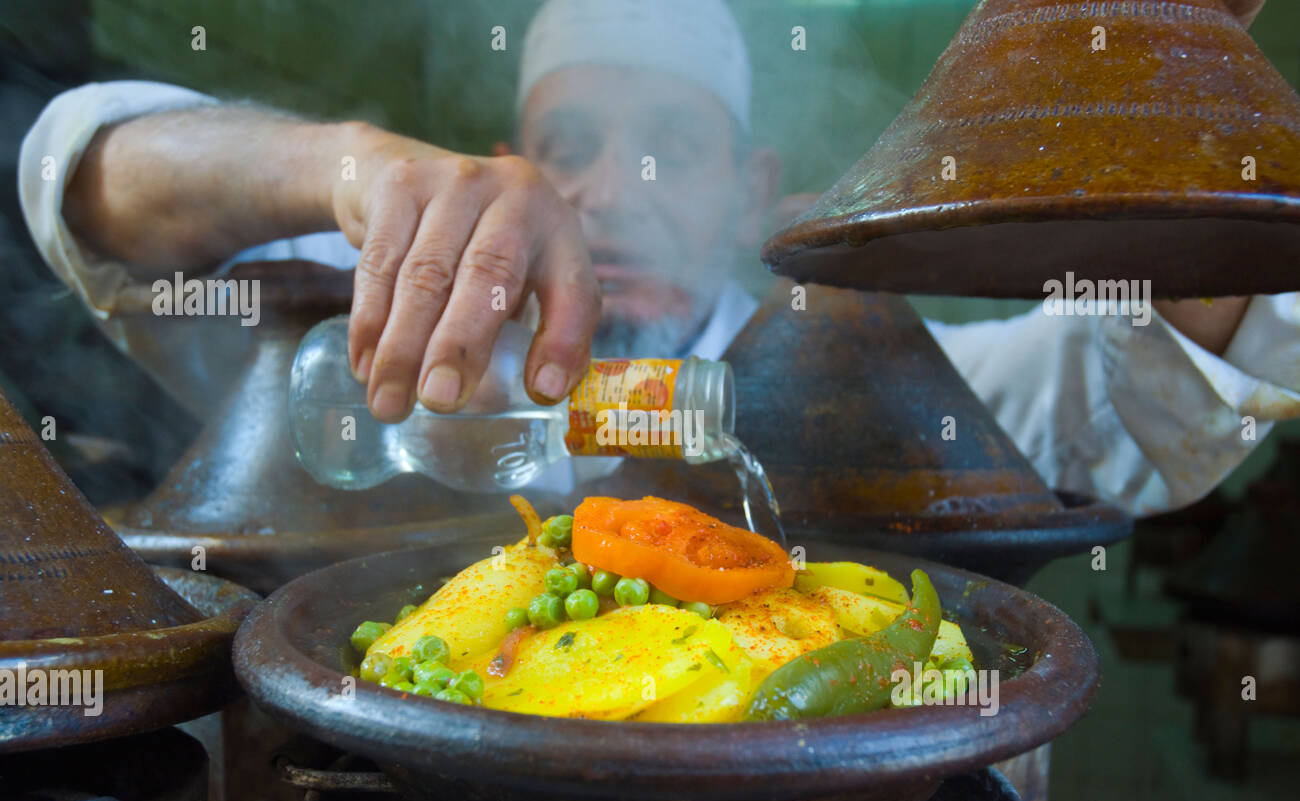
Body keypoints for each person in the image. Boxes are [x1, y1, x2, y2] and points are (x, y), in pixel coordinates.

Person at [18, 0, 1297, 516]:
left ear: (748, 191)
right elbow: (91, 194)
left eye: (668, 147)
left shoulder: (890, 383)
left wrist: (1144, 103)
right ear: (501, 159)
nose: (606, 192)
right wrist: (347, 165)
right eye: (563, 143)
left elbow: (1164, 388)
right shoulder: (394, 346)